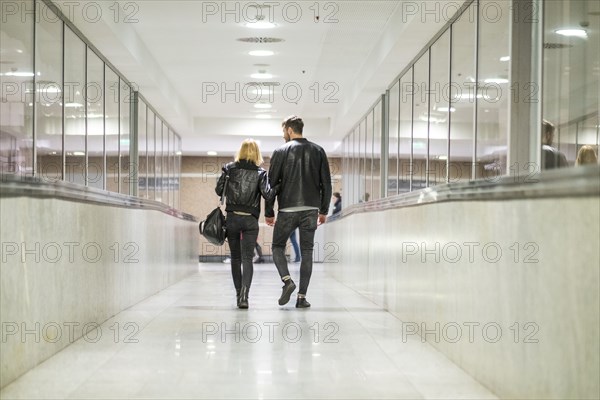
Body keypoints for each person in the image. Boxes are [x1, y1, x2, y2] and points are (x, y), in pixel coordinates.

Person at [265, 116, 332, 308]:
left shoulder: (280, 151)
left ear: (288, 130)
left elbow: (271, 184)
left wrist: (269, 211)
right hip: (311, 209)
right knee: (307, 251)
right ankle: (302, 297)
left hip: (287, 208)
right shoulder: (318, 150)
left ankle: (287, 281)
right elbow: (326, 183)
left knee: (277, 246)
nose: (283, 134)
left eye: (283, 131)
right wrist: (324, 210)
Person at [216, 139, 277, 309]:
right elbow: (268, 194)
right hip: (250, 220)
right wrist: (277, 187)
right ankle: (245, 295)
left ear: (240, 151)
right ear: (257, 153)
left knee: (235, 258)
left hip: (233, 218)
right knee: (247, 258)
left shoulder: (229, 168)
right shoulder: (261, 173)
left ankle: (238, 295)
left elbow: (218, 190)